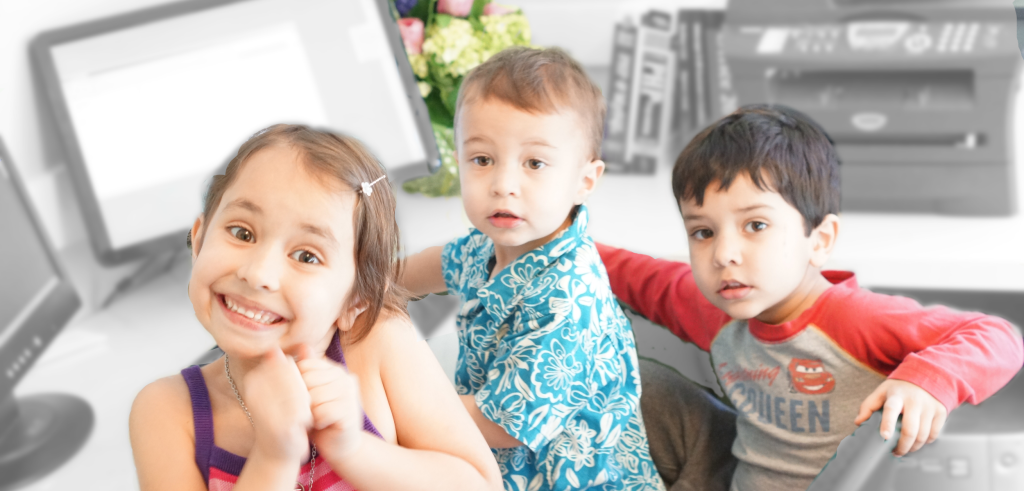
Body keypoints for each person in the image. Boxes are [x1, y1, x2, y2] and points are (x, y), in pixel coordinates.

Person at [596, 104, 1024, 491]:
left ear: (820, 240)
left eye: (756, 226)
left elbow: (996, 335)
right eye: (703, 232)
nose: (724, 254)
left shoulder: (854, 319)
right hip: (734, 474)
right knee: (638, 381)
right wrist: (561, 240)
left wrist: (928, 381)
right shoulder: (721, 306)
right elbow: (642, 277)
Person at [129, 125, 503, 491]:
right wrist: (274, 456)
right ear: (198, 240)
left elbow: (481, 484)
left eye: (306, 256)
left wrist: (353, 449)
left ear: (356, 300)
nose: (258, 273)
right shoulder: (168, 412)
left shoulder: (378, 344)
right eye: (242, 233)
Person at [401, 47, 665, 490]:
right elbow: (431, 265)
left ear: (585, 181)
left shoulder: (567, 296)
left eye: (535, 164)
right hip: (500, 456)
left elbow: (502, 426)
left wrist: (395, 398)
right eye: (482, 160)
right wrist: (358, 285)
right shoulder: (491, 245)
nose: (504, 185)